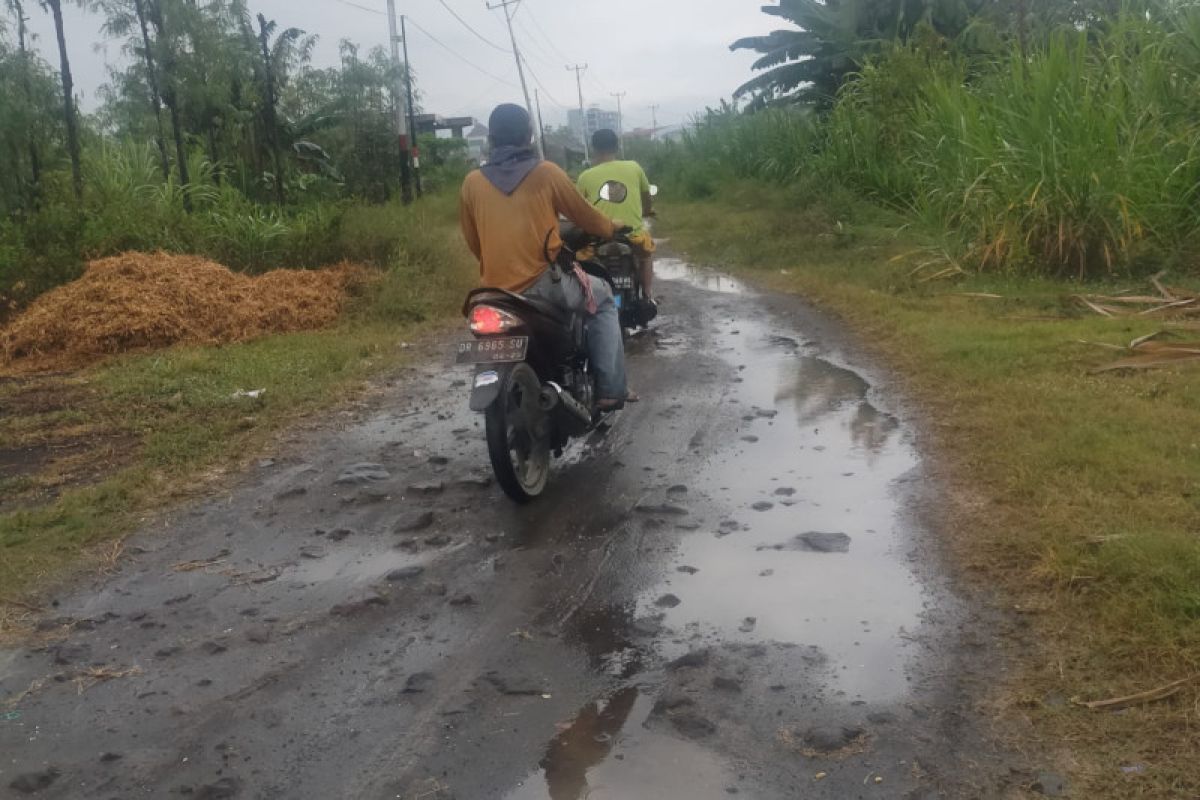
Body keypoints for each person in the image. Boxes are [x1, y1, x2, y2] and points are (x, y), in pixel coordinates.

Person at [459, 104, 637, 409]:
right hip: (543, 283)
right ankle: (610, 389)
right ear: (528, 135)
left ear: (492, 138)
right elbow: (587, 217)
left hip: (492, 292)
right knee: (605, 298)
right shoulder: (546, 172)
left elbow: (474, 242)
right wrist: (611, 227)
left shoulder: (472, 182)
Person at [576, 129, 657, 301]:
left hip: (598, 238)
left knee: (581, 264)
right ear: (617, 147)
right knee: (646, 257)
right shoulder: (634, 167)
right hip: (632, 236)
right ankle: (648, 294)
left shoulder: (585, 177)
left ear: (594, 149)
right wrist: (647, 211)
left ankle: (588, 298)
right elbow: (646, 197)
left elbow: (579, 209)